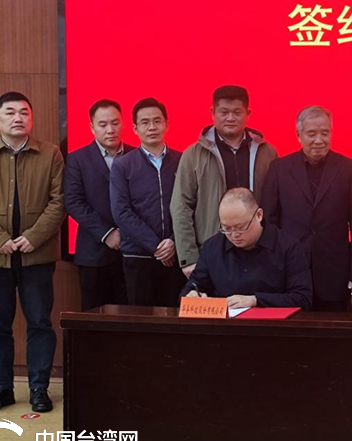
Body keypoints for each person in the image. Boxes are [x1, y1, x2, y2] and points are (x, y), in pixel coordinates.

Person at [0, 92, 65, 414]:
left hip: (37, 255)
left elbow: (59, 201)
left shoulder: (50, 154)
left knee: (40, 323)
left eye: (24, 112)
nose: (18, 117)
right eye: (10, 112)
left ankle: (39, 387)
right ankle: (1, 389)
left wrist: (34, 237)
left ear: (31, 119)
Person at [262, 106, 352, 311]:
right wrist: (270, 267)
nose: (319, 140)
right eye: (312, 134)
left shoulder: (350, 170)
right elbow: (269, 223)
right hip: (290, 270)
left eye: (325, 133)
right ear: (298, 135)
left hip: (334, 272)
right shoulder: (279, 169)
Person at [172, 85, 277, 279]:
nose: (230, 118)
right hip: (212, 250)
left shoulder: (267, 152)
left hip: (259, 249)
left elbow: (277, 204)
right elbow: (181, 206)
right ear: (212, 113)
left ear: (248, 113)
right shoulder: (193, 155)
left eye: (237, 112)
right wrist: (189, 257)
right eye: (224, 112)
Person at [182, 188, 312, 310]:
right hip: (225, 324)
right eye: (227, 228)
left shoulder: (287, 247)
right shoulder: (212, 248)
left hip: (271, 324)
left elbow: (302, 298)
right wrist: (192, 295)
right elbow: (192, 286)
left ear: (259, 215)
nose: (234, 235)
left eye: (240, 227)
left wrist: (256, 300)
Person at [111, 97, 184, 307]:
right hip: (138, 256)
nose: (152, 127)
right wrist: (156, 246)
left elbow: (191, 207)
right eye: (145, 122)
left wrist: (173, 241)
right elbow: (121, 212)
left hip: (176, 254)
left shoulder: (183, 160)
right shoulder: (122, 165)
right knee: (140, 317)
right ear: (135, 128)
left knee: (175, 316)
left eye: (157, 121)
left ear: (167, 124)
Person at [64, 99, 135, 311]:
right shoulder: (77, 159)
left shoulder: (137, 155)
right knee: (93, 317)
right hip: (93, 253)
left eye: (115, 123)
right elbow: (73, 201)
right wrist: (107, 233)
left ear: (123, 123)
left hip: (133, 251)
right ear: (92, 127)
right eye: (103, 124)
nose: (110, 130)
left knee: (131, 315)